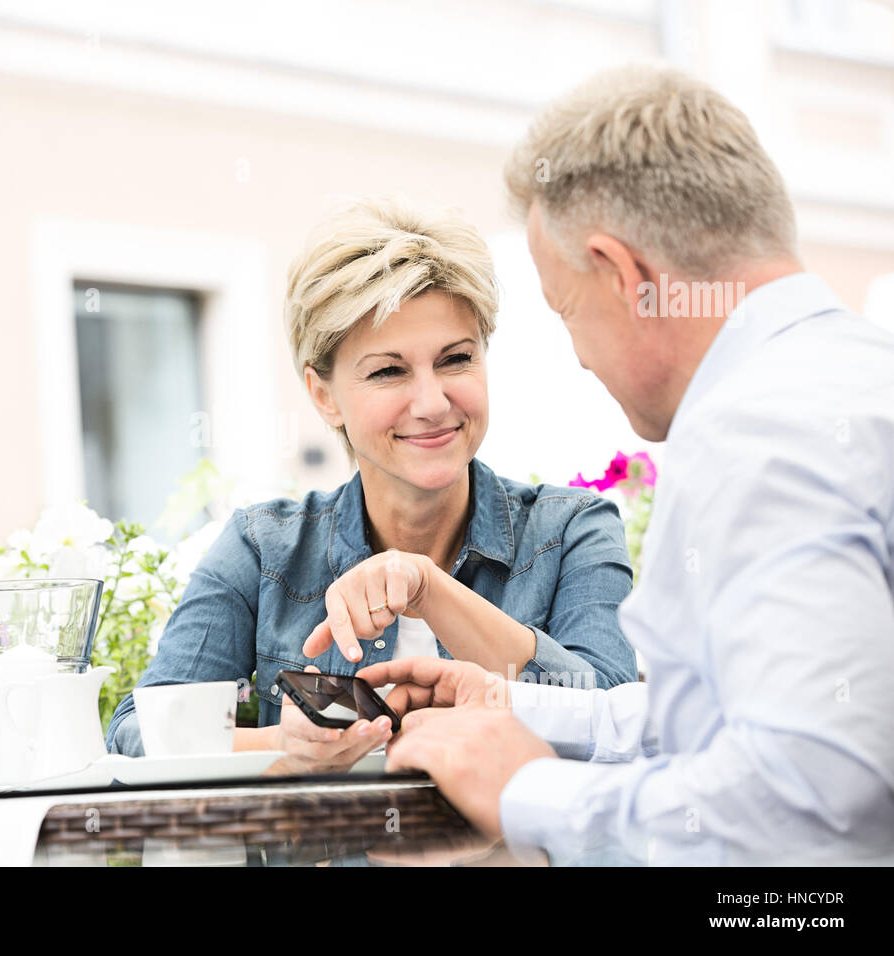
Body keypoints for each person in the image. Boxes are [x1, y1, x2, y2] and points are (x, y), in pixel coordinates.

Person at [362, 65, 894, 865]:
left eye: (567, 310)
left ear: (626, 275)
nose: (578, 357)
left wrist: (528, 788)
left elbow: (808, 793)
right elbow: (750, 718)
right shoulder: (849, 376)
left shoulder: (758, 432)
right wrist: (521, 710)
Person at [106, 197, 638, 772]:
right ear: (323, 395)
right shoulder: (264, 547)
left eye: (456, 359)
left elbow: (615, 719)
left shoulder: (571, 530)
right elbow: (137, 728)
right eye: (389, 371)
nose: (433, 403)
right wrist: (283, 745)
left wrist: (428, 588)